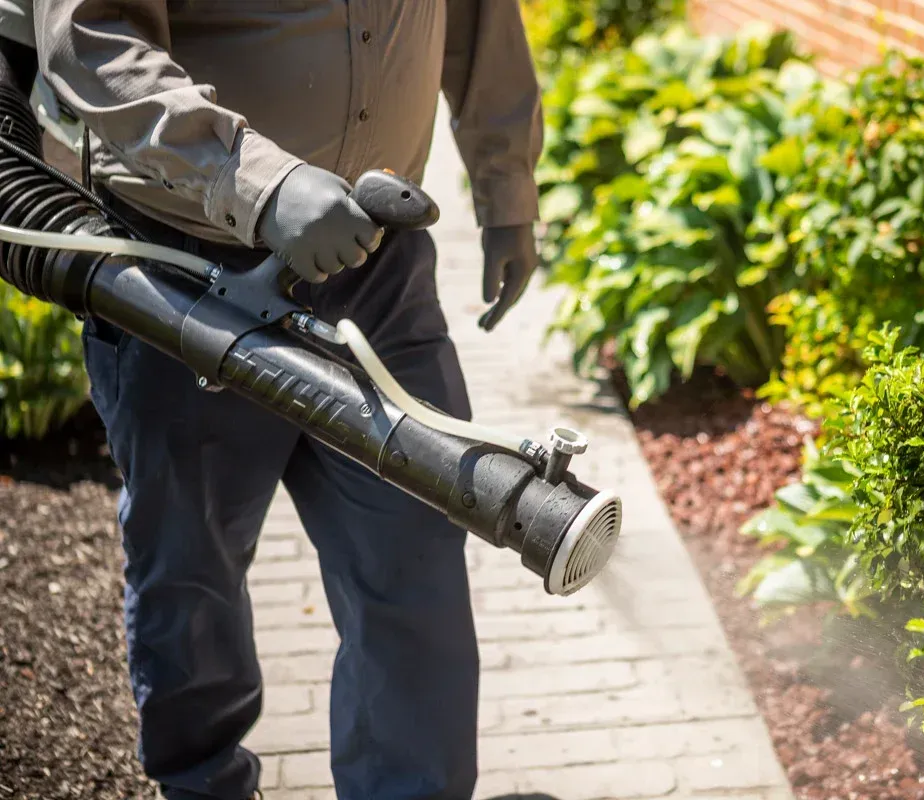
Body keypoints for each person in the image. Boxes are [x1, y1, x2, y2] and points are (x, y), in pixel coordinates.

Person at [25, 1, 544, 798]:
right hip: (185, 271)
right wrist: (259, 179)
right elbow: (90, 38)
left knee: (414, 558)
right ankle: (203, 785)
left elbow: (477, 16)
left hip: (379, 270)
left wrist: (506, 186)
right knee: (190, 572)